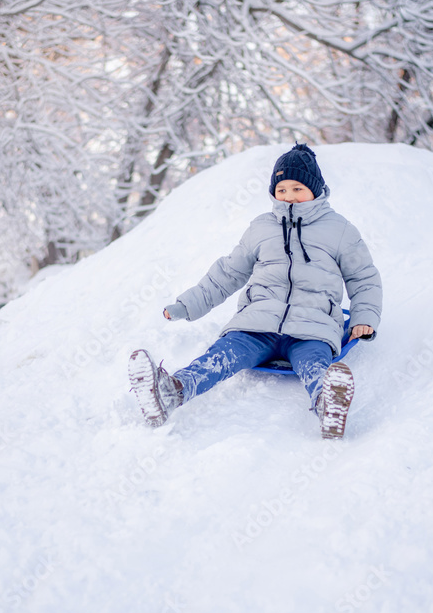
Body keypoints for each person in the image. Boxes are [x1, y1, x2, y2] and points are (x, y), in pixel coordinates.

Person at [129, 143, 382, 439]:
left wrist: (364, 316)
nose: (289, 196)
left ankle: (328, 406)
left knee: (316, 367)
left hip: (312, 326)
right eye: (282, 189)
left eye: (298, 188)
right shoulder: (262, 227)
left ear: (316, 189)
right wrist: (188, 305)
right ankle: (172, 392)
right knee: (219, 357)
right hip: (256, 324)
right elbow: (228, 272)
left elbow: (363, 277)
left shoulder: (340, 230)